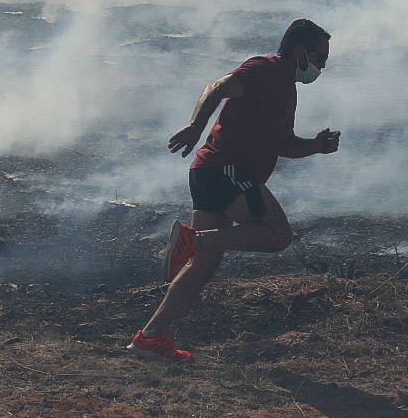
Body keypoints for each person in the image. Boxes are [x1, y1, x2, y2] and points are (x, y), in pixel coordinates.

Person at [127, 18, 340, 361]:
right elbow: (218, 87)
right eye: (320, 57)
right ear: (300, 50)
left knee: (204, 264)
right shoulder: (264, 70)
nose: (323, 66)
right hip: (226, 170)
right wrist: (197, 125)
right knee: (277, 234)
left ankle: (148, 338)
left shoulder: (288, 89)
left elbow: (282, 143)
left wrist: (316, 146)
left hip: (213, 173)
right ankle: (191, 240)